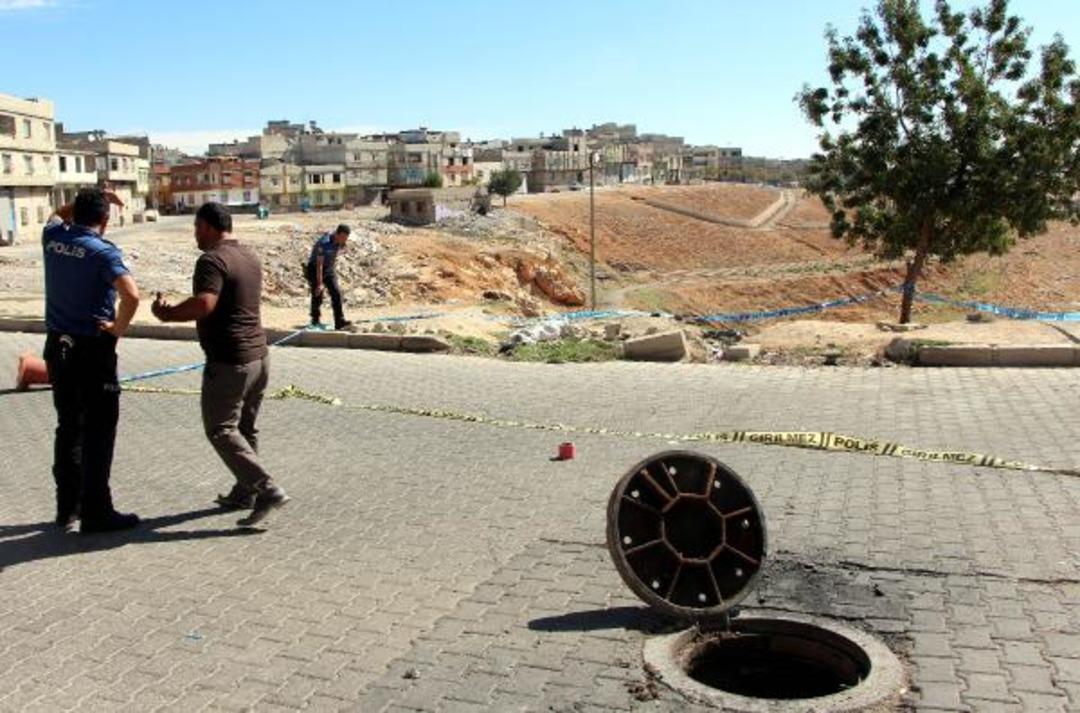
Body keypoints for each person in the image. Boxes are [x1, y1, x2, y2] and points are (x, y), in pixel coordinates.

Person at [151, 202, 289, 527]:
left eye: (197, 228)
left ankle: (266, 488)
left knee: (221, 429)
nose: (195, 235)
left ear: (210, 227)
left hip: (230, 361)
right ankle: (245, 492)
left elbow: (204, 304)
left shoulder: (211, 260)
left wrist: (167, 313)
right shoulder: (249, 255)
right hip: (259, 358)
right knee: (245, 429)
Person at [43, 187, 141, 534]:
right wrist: (117, 330)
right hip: (92, 348)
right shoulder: (102, 251)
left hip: (58, 346)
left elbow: (57, 214)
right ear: (106, 219)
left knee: (69, 426)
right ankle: (96, 511)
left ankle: (67, 508)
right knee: (99, 430)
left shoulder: (53, 238)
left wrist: (93, 198)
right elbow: (132, 295)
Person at [304, 224, 352, 330]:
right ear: (338, 234)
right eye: (343, 238)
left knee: (336, 293)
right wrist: (320, 284)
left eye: (346, 238)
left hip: (329, 268)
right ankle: (315, 320)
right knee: (318, 294)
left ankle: (339, 321)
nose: (344, 240)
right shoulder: (324, 243)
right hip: (315, 268)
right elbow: (319, 265)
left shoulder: (340, 241)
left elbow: (341, 248)